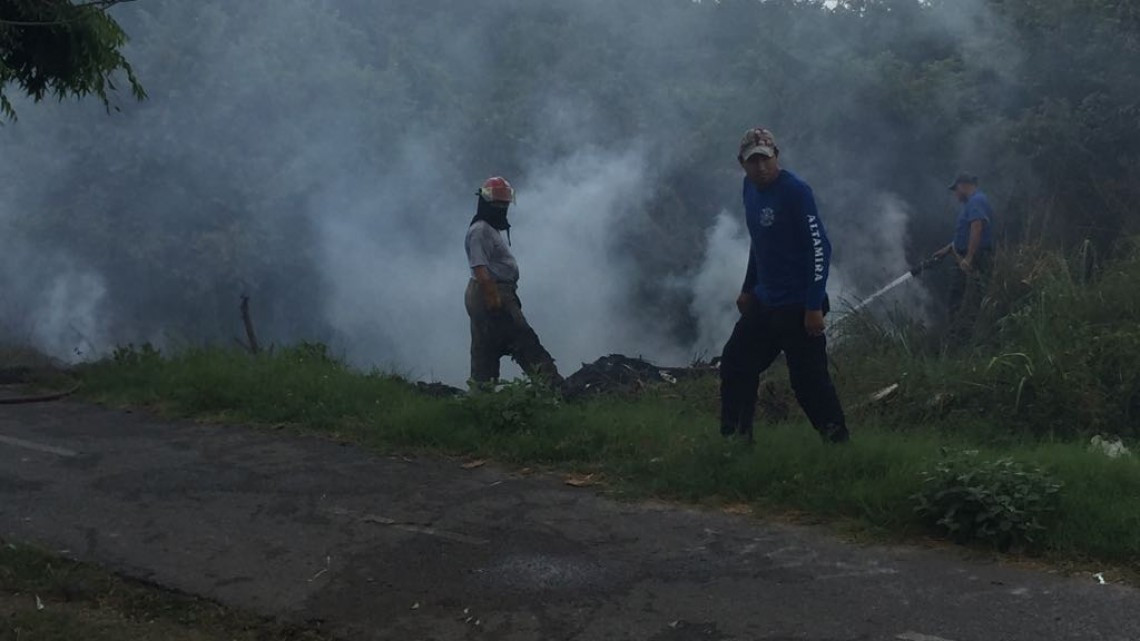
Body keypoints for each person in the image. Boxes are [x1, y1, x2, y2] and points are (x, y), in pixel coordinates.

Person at [719, 128, 849, 444]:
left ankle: (838, 443)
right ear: (742, 163)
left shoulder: (795, 191)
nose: (761, 167)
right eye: (753, 161)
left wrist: (813, 305)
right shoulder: (749, 189)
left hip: (798, 305)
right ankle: (736, 439)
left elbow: (820, 248)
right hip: (765, 302)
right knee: (736, 363)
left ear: (776, 156)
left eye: (766, 159)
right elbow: (759, 243)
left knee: (808, 382)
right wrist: (748, 287)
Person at [464, 176, 563, 388]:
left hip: (491, 291)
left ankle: (482, 393)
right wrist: (493, 297)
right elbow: (480, 268)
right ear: (486, 202)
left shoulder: (489, 229)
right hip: (491, 291)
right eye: (498, 203)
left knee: (485, 346)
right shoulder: (480, 231)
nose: (502, 208)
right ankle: (554, 388)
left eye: (505, 203)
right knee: (524, 340)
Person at [931, 173, 994, 337]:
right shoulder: (971, 204)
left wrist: (969, 257)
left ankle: (959, 334)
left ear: (962, 186)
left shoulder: (976, 201)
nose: (955, 194)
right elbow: (965, 234)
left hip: (975, 257)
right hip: (967, 256)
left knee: (961, 295)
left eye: (956, 190)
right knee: (960, 294)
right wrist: (947, 249)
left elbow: (977, 227)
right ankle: (960, 331)